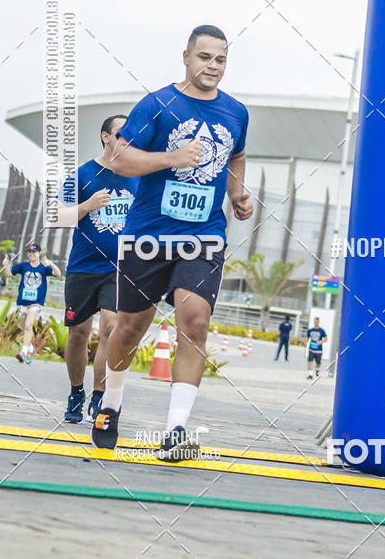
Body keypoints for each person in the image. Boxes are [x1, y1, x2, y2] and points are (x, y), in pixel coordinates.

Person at [91, 25, 253, 461]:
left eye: (220, 59)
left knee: (195, 321)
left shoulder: (236, 112)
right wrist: (170, 158)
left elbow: (235, 154)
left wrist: (237, 193)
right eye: (204, 57)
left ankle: (177, 430)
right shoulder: (158, 103)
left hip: (202, 237)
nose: (212, 66)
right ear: (186, 57)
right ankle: (111, 403)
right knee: (129, 328)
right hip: (148, 237)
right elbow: (119, 157)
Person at [58, 116, 140, 424]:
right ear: (106, 136)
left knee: (110, 328)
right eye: (121, 134)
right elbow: (58, 217)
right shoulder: (81, 174)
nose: (127, 140)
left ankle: (99, 396)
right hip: (82, 267)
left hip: (119, 268)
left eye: (131, 136)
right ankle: (76, 392)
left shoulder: (139, 177)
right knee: (78, 333)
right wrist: (86, 206)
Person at [4, 244, 61, 363]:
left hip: (36, 303)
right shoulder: (23, 266)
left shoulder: (44, 268)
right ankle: (30, 348)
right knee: (25, 327)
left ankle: (23, 352)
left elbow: (58, 273)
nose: (31, 254)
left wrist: (50, 263)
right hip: (23, 302)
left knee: (28, 325)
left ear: (39, 253)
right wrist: (5, 265)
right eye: (29, 252)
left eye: (34, 252)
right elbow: (8, 274)